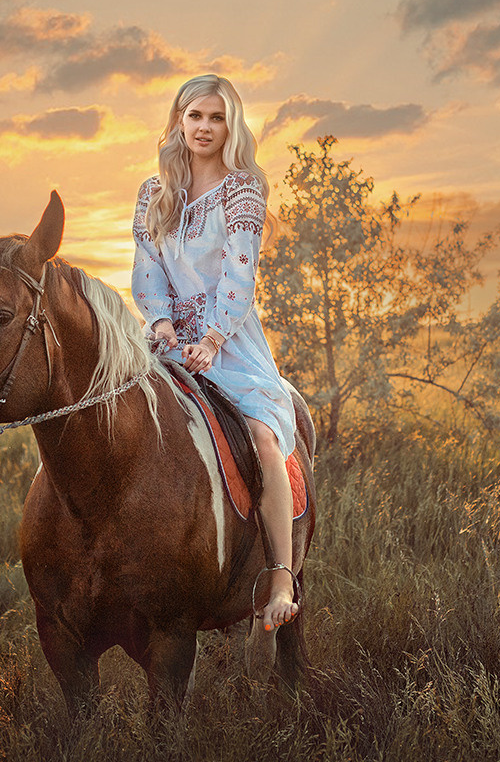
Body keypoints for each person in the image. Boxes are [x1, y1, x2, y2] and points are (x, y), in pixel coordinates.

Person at [130, 74, 299, 631]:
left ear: (232, 125)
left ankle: (279, 573)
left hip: (227, 342)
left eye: (216, 117)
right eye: (194, 115)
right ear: (179, 120)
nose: (204, 127)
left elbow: (238, 274)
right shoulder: (153, 193)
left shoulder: (242, 188)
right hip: (166, 340)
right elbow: (146, 270)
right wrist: (160, 323)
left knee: (260, 437)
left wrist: (211, 338)